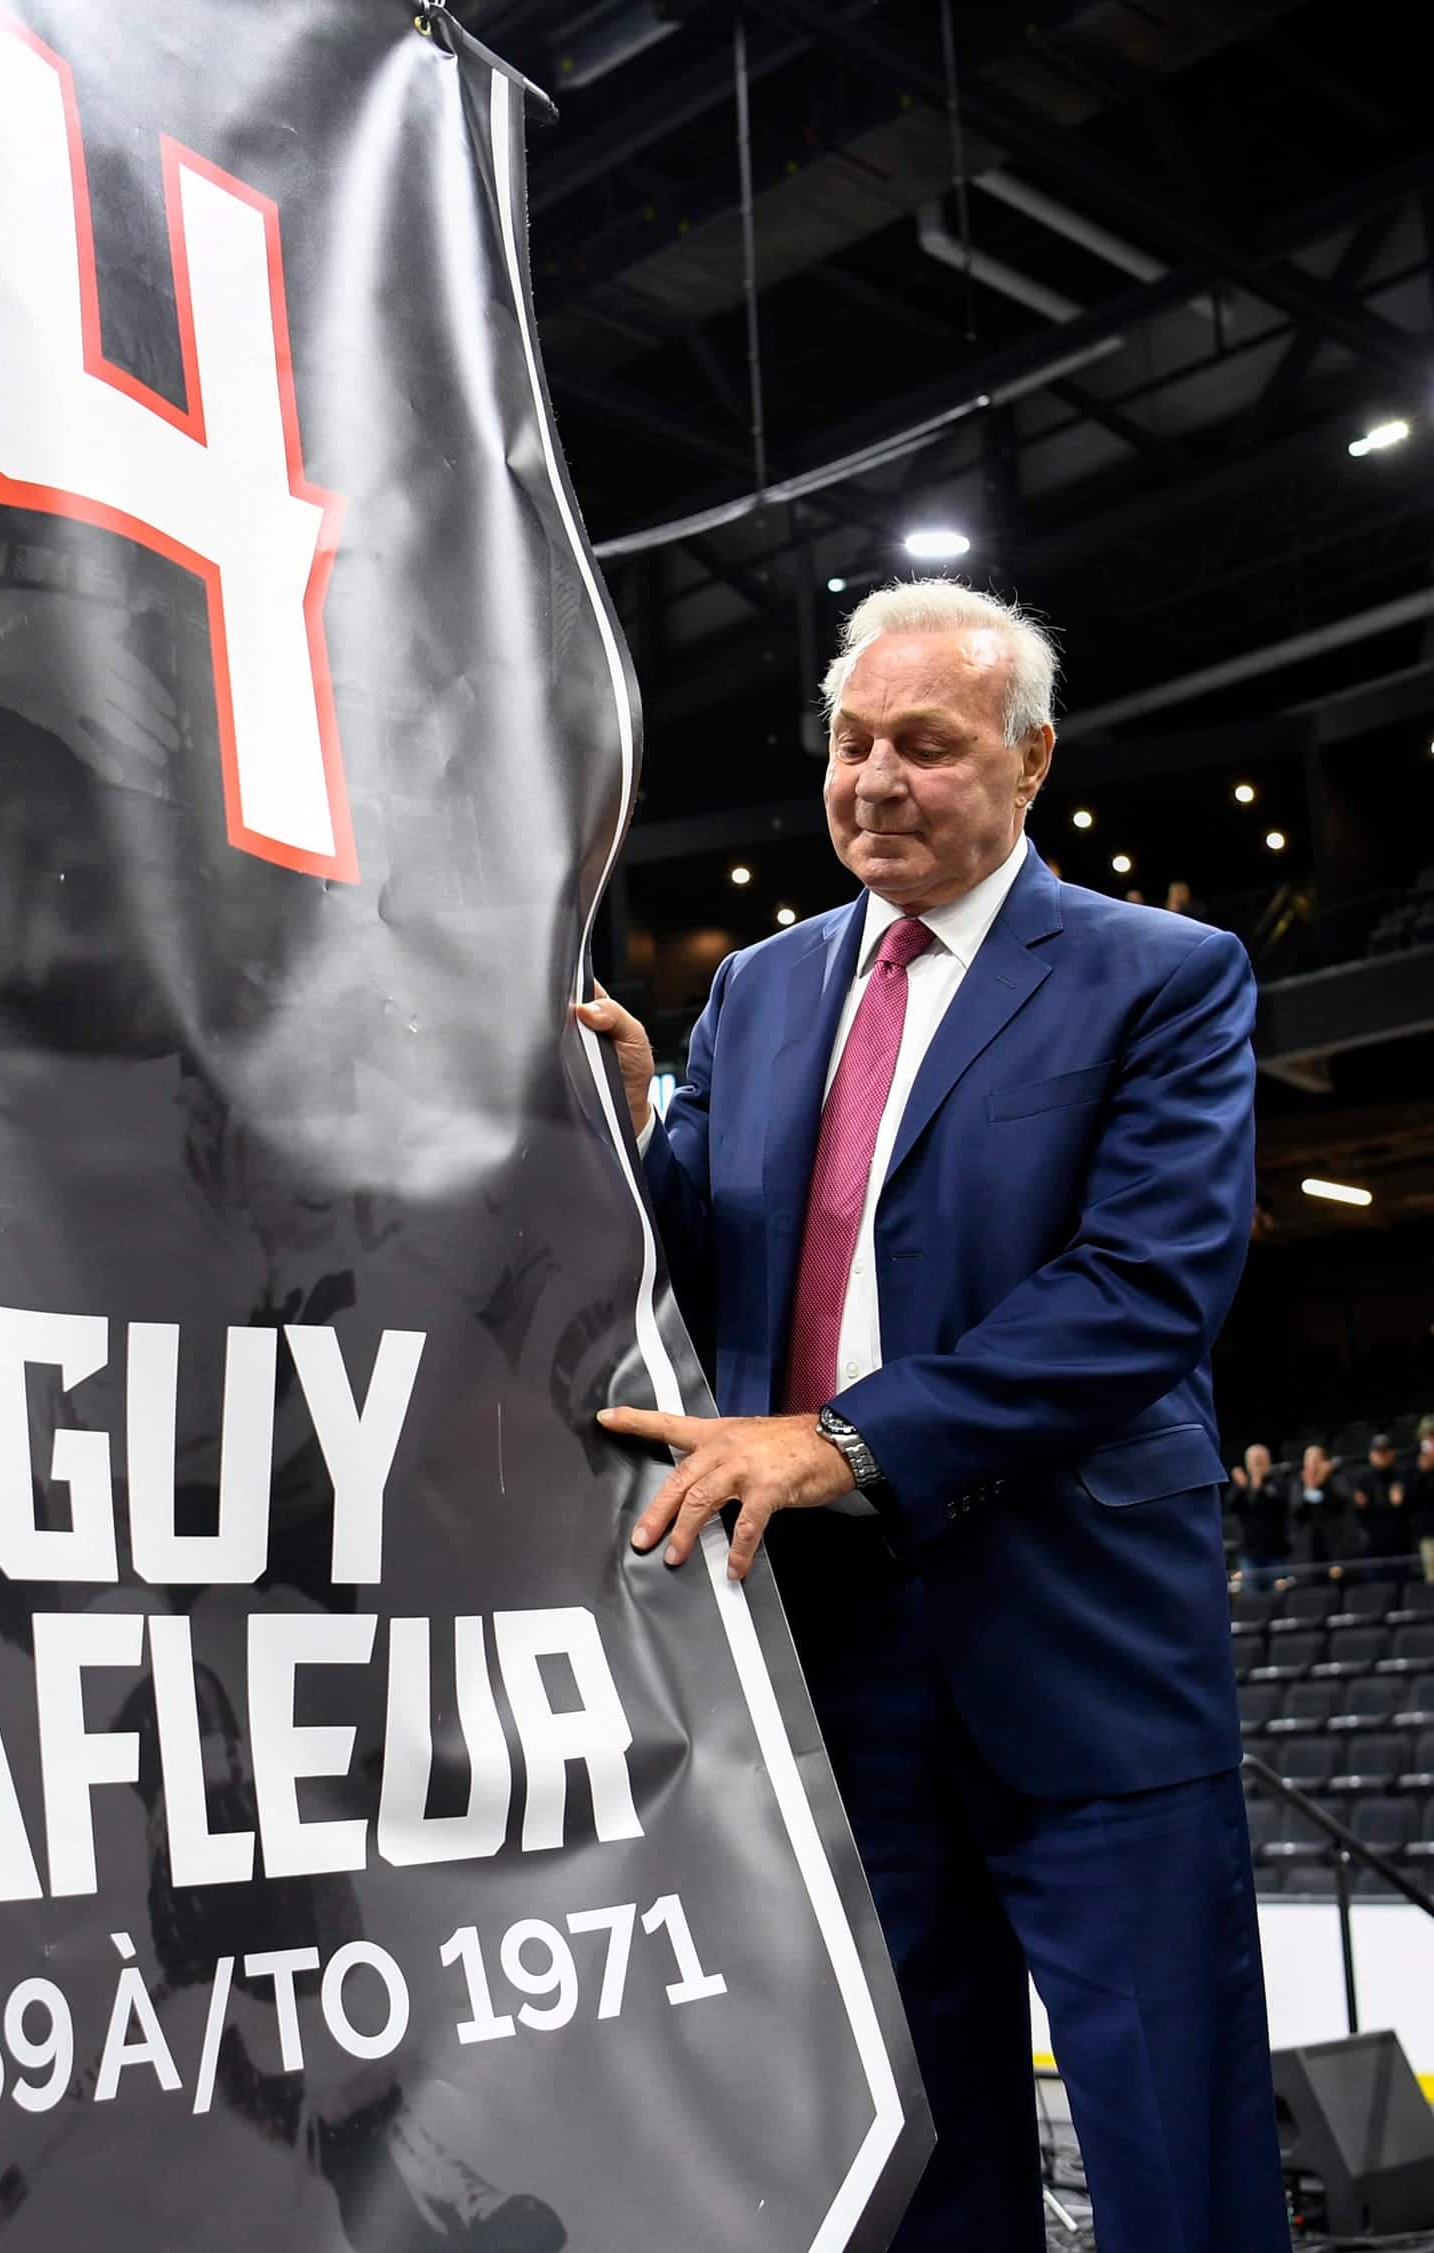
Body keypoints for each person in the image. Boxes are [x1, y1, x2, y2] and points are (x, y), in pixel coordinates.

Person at [578, 579, 1285, 2253]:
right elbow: (696, 1266)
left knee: (1168, 2115)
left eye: (928, 745)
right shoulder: (755, 990)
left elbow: (1141, 1285)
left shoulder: (1164, 975)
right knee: (912, 2108)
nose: (876, 779)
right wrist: (620, 1142)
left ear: (1032, 762)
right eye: (851, 740)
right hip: (824, 1635)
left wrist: (850, 1436)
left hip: (1078, 1624)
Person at [1342, 1433, 1414, 1567]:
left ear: (1392, 1453)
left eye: (1385, 1451)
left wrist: (1402, 1501)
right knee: (1375, 1585)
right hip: (1373, 1544)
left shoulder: (1403, 1476)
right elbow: (1355, 1514)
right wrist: (1359, 1506)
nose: (1382, 1456)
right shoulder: (1362, 1480)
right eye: (1378, 1452)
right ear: (1371, 1455)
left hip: (1400, 1542)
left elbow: (1414, 1508)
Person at [1227, 1442, 1291, 1591]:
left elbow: (1280, 1506)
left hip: (1276, 1551)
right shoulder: (1242, 1486)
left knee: (1278, 1595)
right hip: (1250, 1552)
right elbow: (1231, 1506)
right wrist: (1245, 1488)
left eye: (1260, 1460)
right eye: (1254, 1461)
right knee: (1252, 1600)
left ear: (1268, 1461)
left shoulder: (1278, 1482)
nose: (1257, 1465)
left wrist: (1257, 1486)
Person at [1413, 1420, 1434, 1586]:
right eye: (1428, 1438)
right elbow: (1412, 1499)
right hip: (1429, 1532)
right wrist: (1423, 1472)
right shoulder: (1416, 1466)